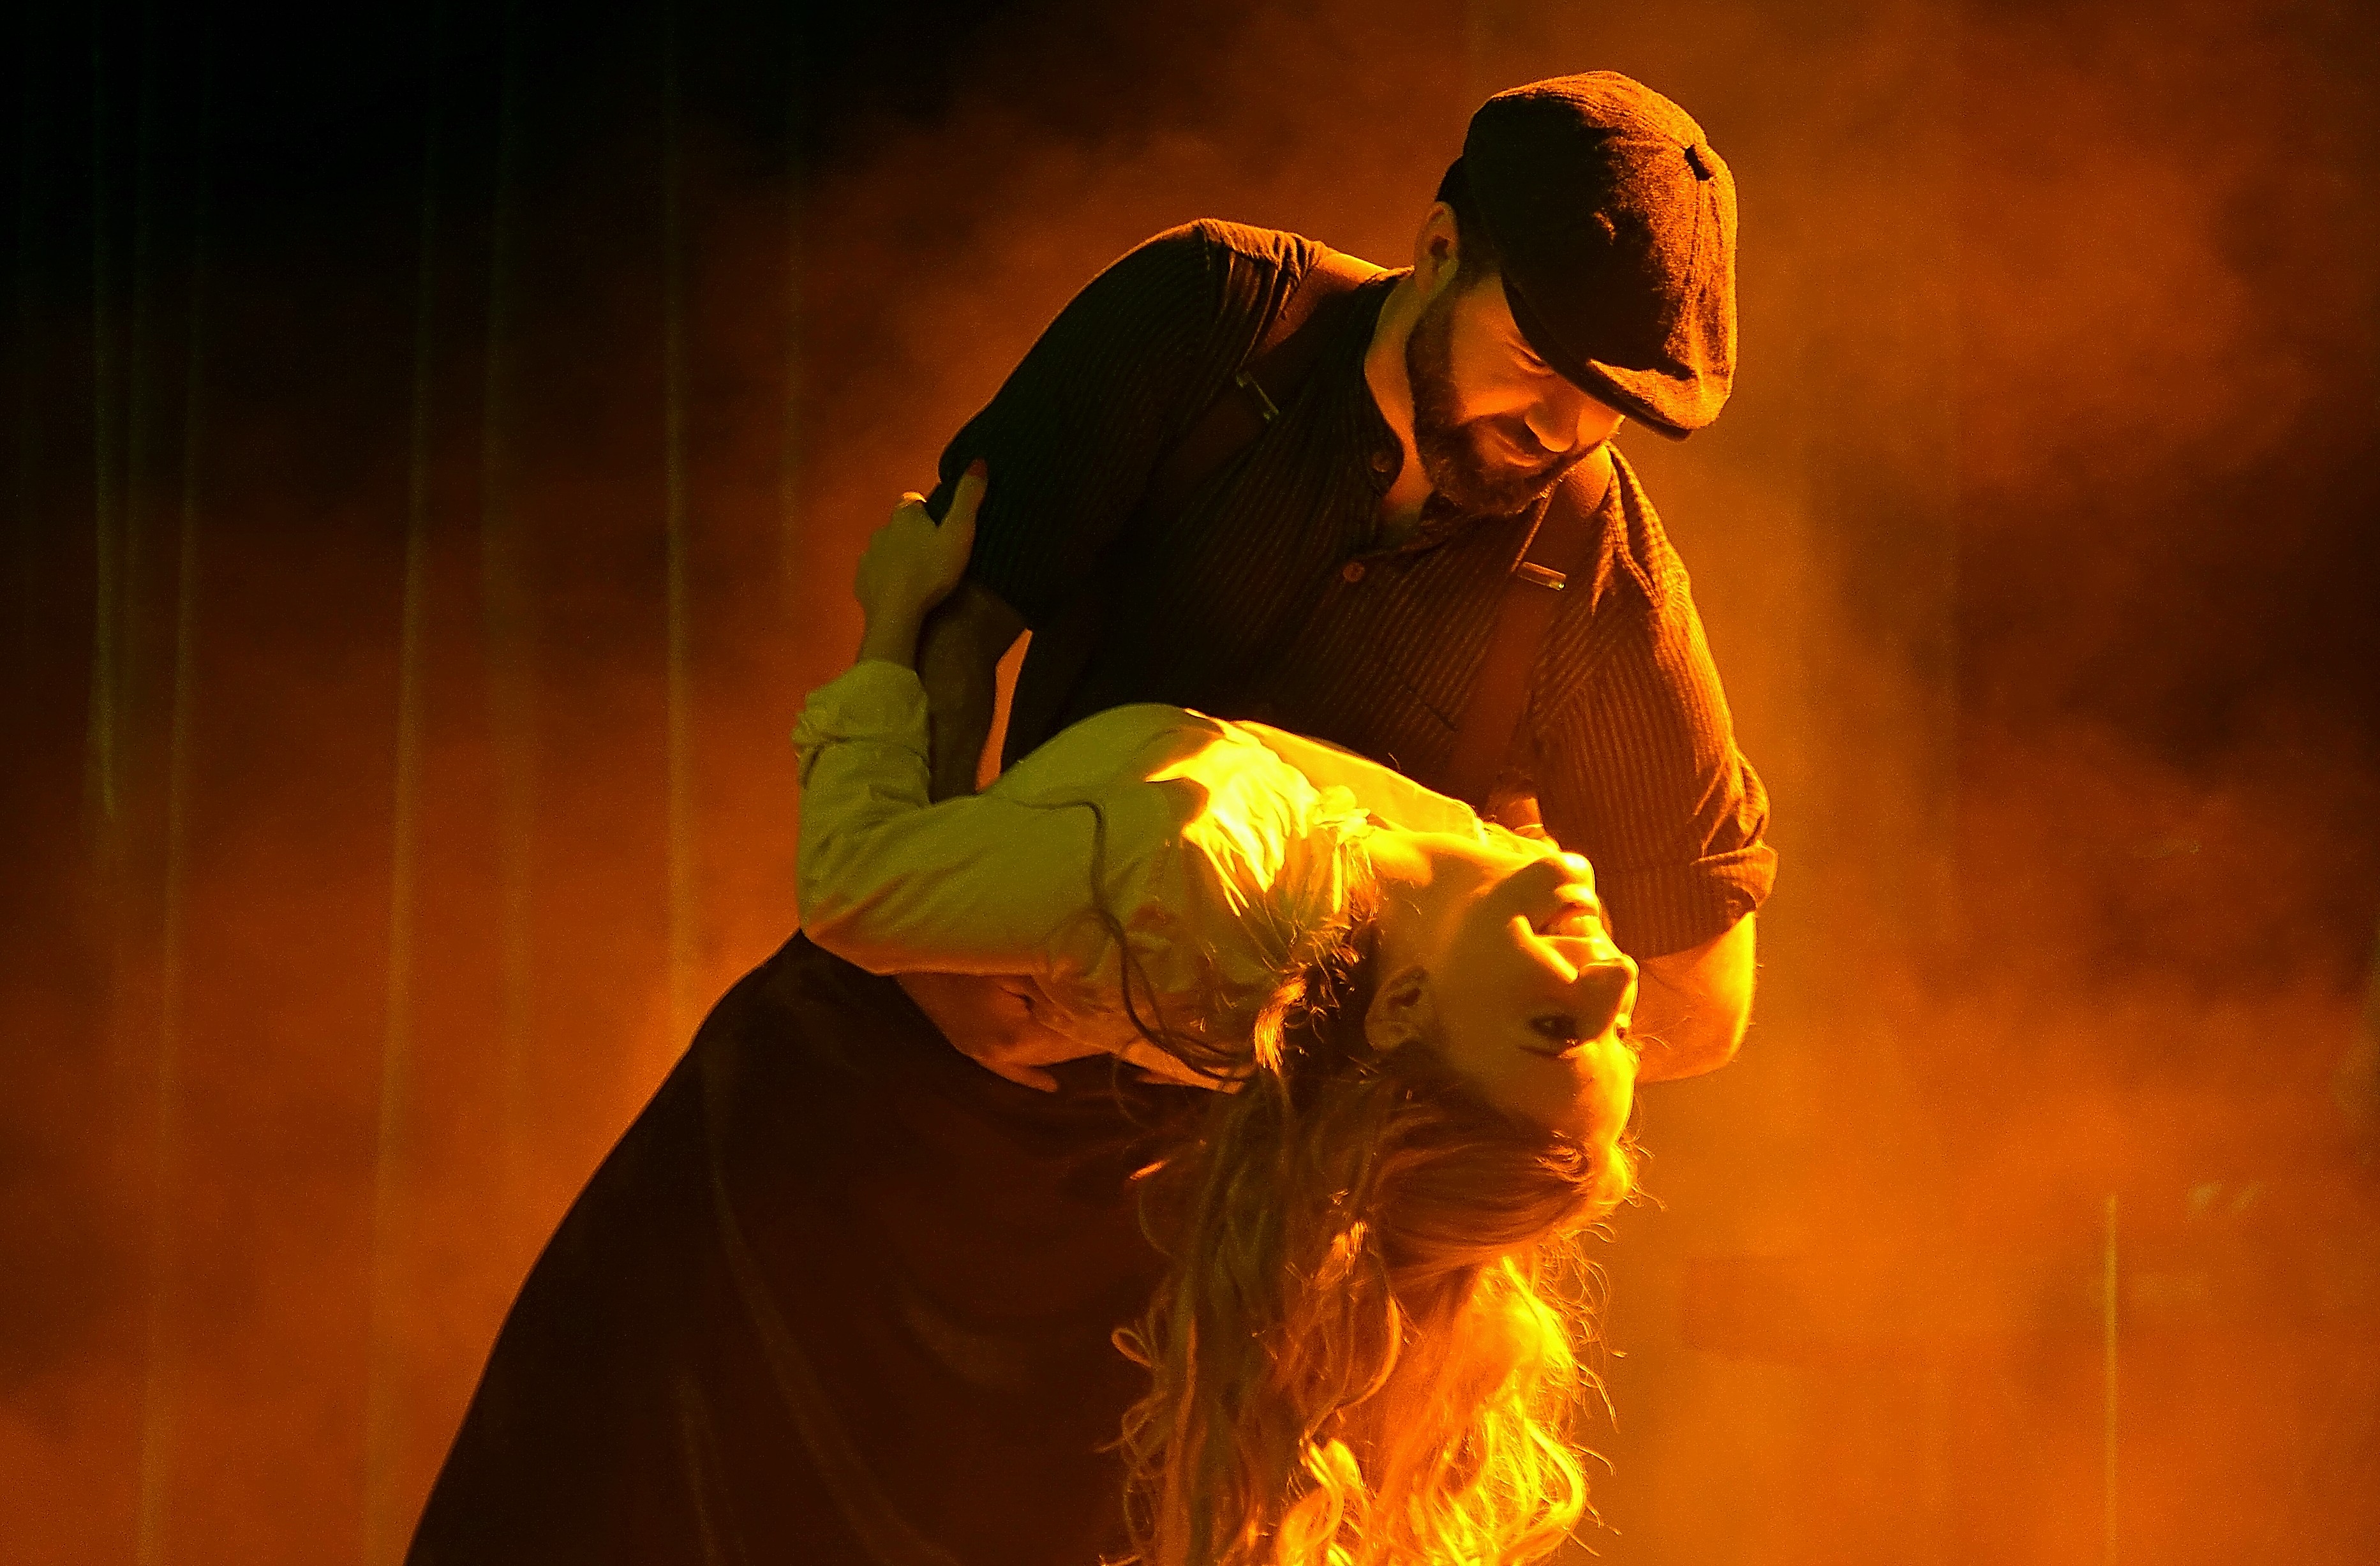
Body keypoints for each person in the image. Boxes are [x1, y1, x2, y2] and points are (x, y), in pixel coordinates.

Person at [407, 470, 1640, 1566]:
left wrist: (893, 613)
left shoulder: (1195, 888)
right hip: (890, 1166)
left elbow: (851, 889)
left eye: (1555, 1029)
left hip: (817, 1155)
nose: (1613, 986)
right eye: (1615, 1038)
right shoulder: (1448, 861)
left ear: (1406, 1009)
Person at [912, 72, 1774, 1085]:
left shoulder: (1600, 573)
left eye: (1609, 401)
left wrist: (1383, 1045)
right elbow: (949, 613)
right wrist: (932, 931)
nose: (1560, 428)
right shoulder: (1209, 317)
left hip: (1270, 1138)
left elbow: (1700, 1002)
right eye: (1537, 358)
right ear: (1439, 249)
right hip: (980, 990)